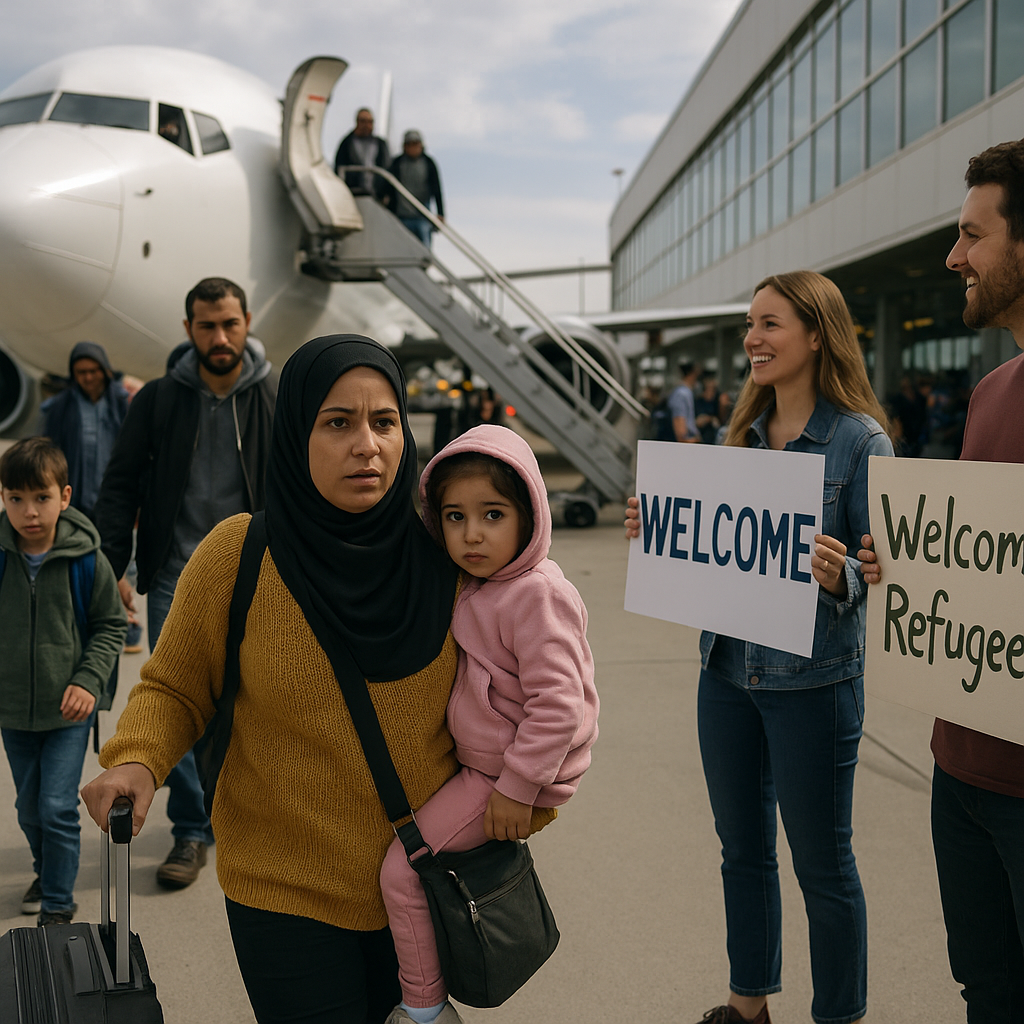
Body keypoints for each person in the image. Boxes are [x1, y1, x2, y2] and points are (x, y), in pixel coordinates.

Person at [82, 335, 463, 1024]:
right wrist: (137, 760)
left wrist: (528, 795)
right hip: (283, 889)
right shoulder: (239, 553)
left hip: (427, 883)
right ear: (296, 432)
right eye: (337, 422)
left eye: (384, 422)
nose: (367, 445)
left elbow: (537, 687)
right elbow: (174, 685)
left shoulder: (452, 557)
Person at [626, 271, 894, 1024]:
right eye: (751, 323)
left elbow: (890, 577)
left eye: (770, 324)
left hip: (814, 683)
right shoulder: (733, 435)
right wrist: (660, 534)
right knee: (740, 851)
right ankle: (749, 1007)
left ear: (817, 334)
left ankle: (838, 1015)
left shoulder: (860, 442)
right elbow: (716, 554)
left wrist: (845, 577)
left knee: (823, 866)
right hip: (726, 675)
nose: (753, 338)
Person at [859, 140, 1024, 1023]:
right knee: (987, 992)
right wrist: (901, 572)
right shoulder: (992, 391)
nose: (954, 257)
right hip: (960, 769)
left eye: (973, 234)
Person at [380, 424, 599, 1024]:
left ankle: (424, 1009)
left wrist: (516, 787)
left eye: (492, 515)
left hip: (504, 774)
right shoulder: (484, 584)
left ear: (529, 517)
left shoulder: (535, 595)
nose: (471, 534)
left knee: (403, 871)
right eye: (454, 516)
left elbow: (560, 704)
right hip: (491, 765)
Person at [93, 276, 277, 889]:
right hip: (176, 573)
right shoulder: (158, 400)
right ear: (188, 329)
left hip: (259, 570)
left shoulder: (274, 395)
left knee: (254, 696)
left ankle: (247, 811)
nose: (219, 337)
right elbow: (120, 486)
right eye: (206, 326)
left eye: (229, 323)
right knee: (184, 700)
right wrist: (108, 567)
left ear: (247, 321)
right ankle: (194, 829)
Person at [0, 438, 125, 925]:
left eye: (42, 498)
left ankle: (56, 903)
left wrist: (88, 680)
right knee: (28, 809)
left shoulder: (85, 557)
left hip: (70, 707)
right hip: (12, 708)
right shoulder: (3, 554)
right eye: (16, 499)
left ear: (65, 496)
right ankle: (45, 869)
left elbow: (111, 624)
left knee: (55, 805)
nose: (29, 512)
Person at [40, 341, 142, 652]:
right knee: (79, 560)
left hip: (115, 498)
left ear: (105, 370)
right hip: (76, 497)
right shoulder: (60, 407)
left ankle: (125, 622)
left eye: (94, 370)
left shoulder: (123, 403)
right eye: (81, 372)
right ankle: (85, 623)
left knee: (120, 562)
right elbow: (45, 451)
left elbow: (139, 450)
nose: (88, 377)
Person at [387, 130, 445, 247]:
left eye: (416, 144)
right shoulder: (397, 163)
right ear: (404, 146)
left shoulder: (428, 163)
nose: (413, 147)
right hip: (401, 215)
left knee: (424, 250)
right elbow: (388, 186)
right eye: (410, 144)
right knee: (400, 247)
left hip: (422, 216)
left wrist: (440, 213)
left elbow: (437, 189)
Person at [334, 107, 391, 198]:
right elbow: (339, 166)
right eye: (363, 121)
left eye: (370, 122)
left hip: (375, 195)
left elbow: (386, 167)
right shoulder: (347, 143)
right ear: (357, 122)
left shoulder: (380, 144)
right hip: (352, 194)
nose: (366, 125)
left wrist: (384, 192)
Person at [667, 360, 701, 442]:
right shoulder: (682, 394)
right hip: (687, 441)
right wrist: (686, 441)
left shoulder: (686, 392)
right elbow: (679, 420)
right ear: (692, 374)